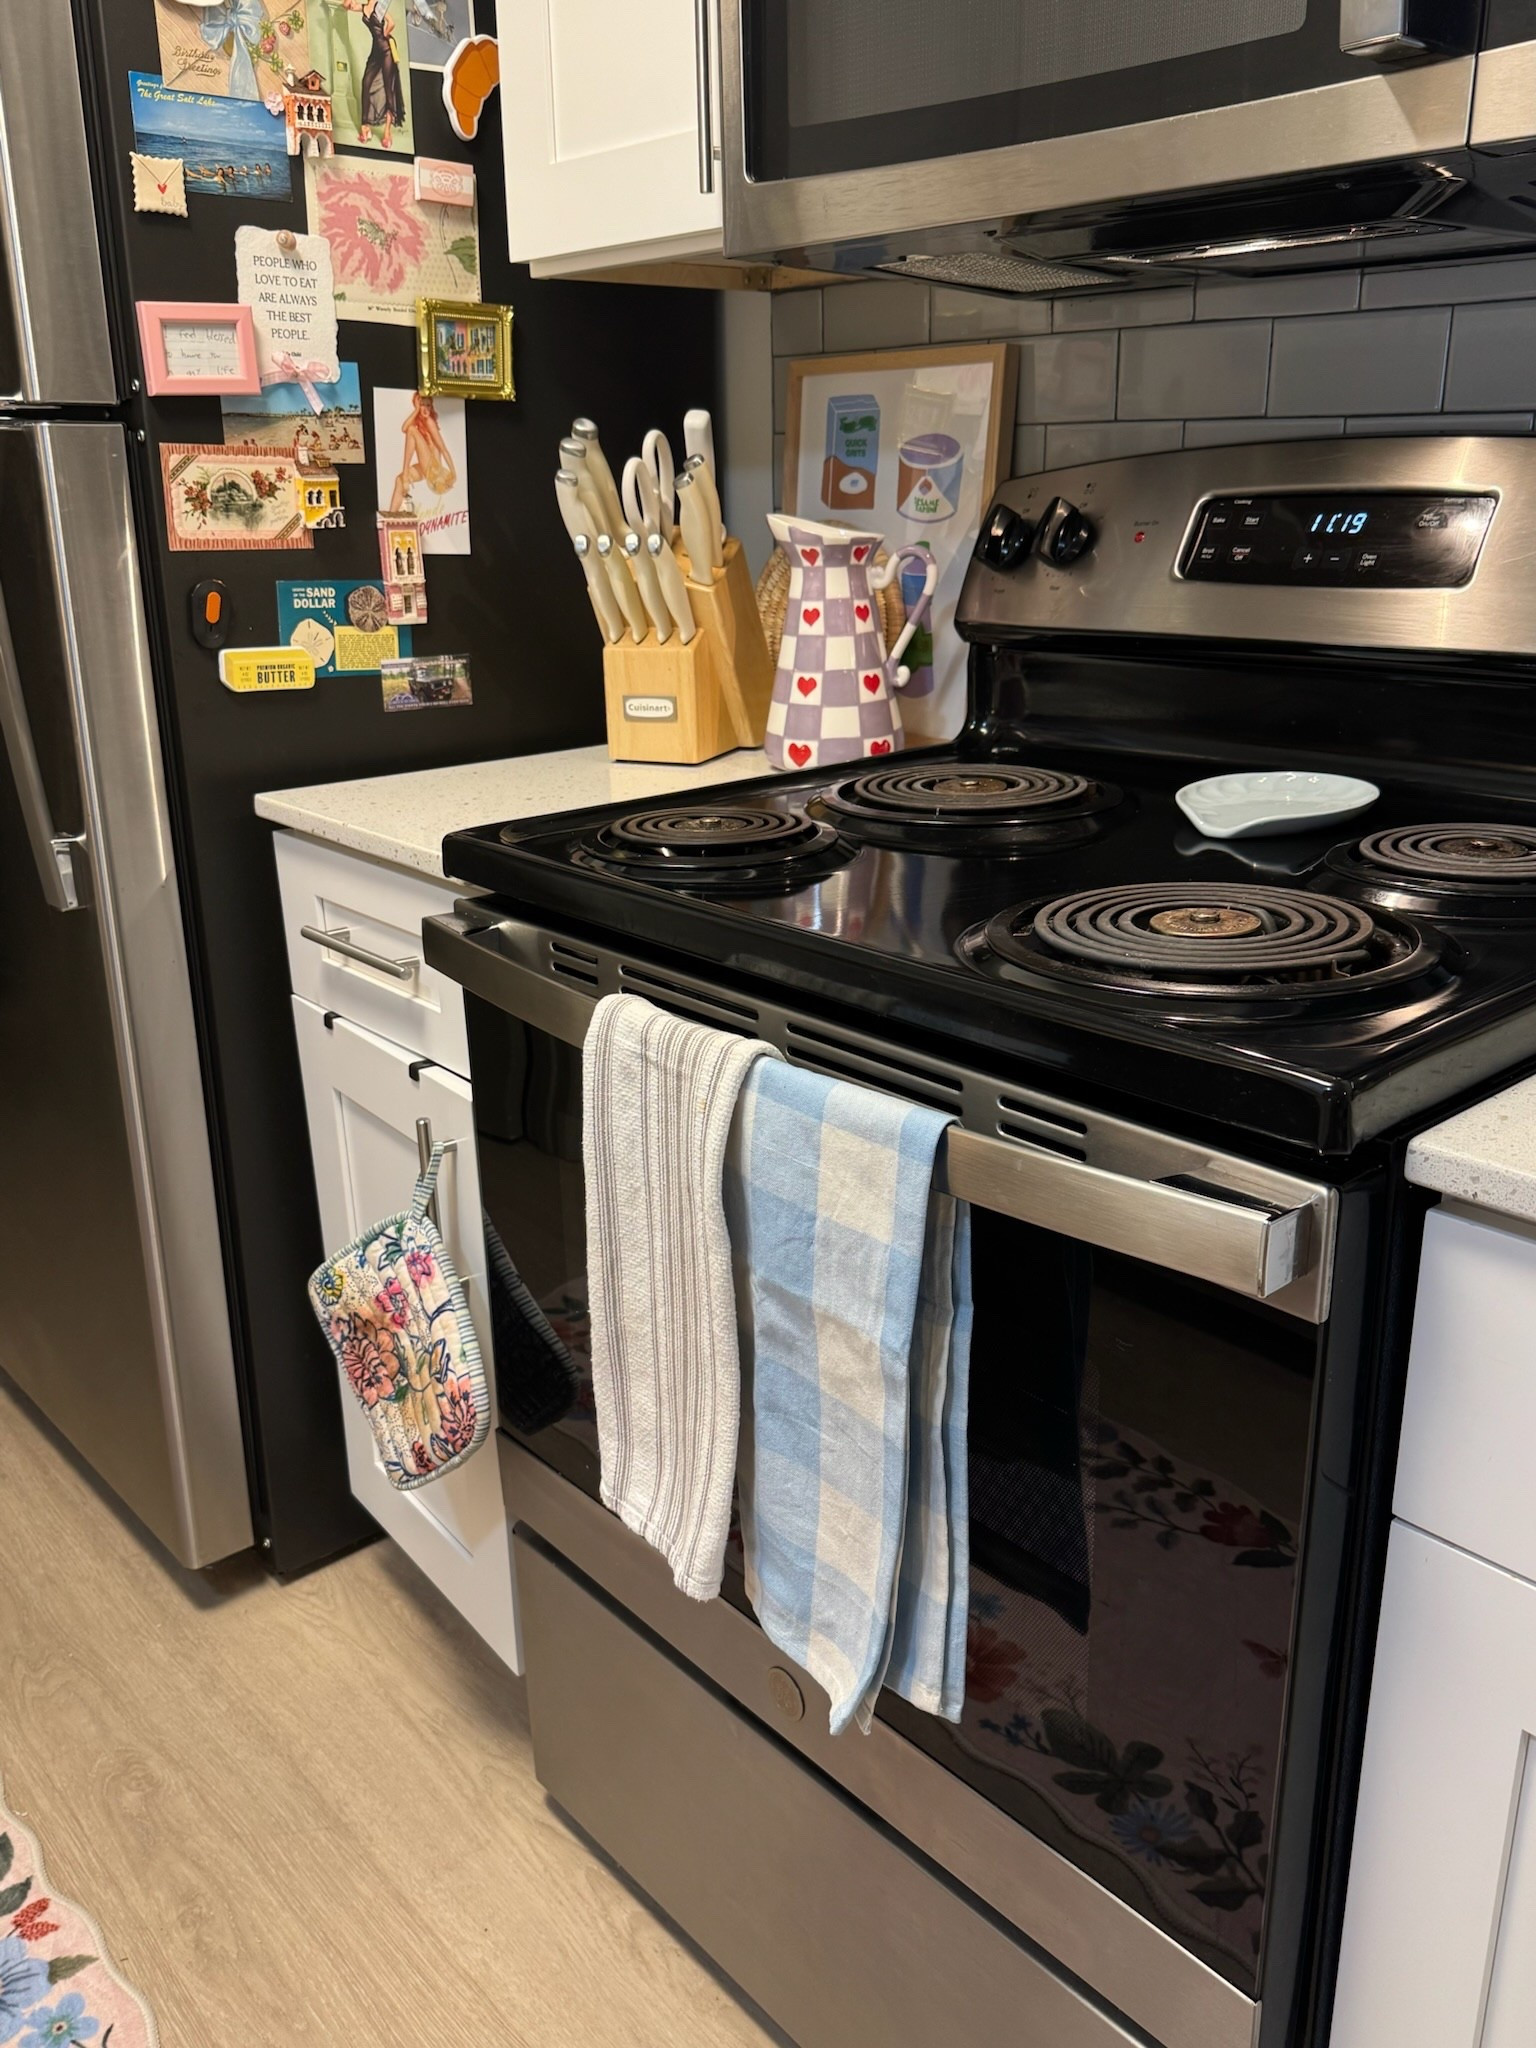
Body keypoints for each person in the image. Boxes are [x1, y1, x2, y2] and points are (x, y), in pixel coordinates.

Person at [337, 0, 405, 148]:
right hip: (376, 51)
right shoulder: (363, 8)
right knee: (366, 83)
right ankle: (365, 127)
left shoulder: (379, 7)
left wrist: (385, 34)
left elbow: (391, 23)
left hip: (387, 51)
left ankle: (387, 131)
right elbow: (347, 5)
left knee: (389, 89)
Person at [389, 392, 455, 513]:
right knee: (399, 480)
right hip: (426, 470)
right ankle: (390, 517)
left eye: (428, 405)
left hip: (435, 473)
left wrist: (453, 474)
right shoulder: (421, 423)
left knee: (412, 430)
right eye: (422, 405)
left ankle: (405, 474)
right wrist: (416, 410)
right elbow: (403, 428)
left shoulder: (430, 422)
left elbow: (444, 449)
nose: (425, 409)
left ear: (432, 407)